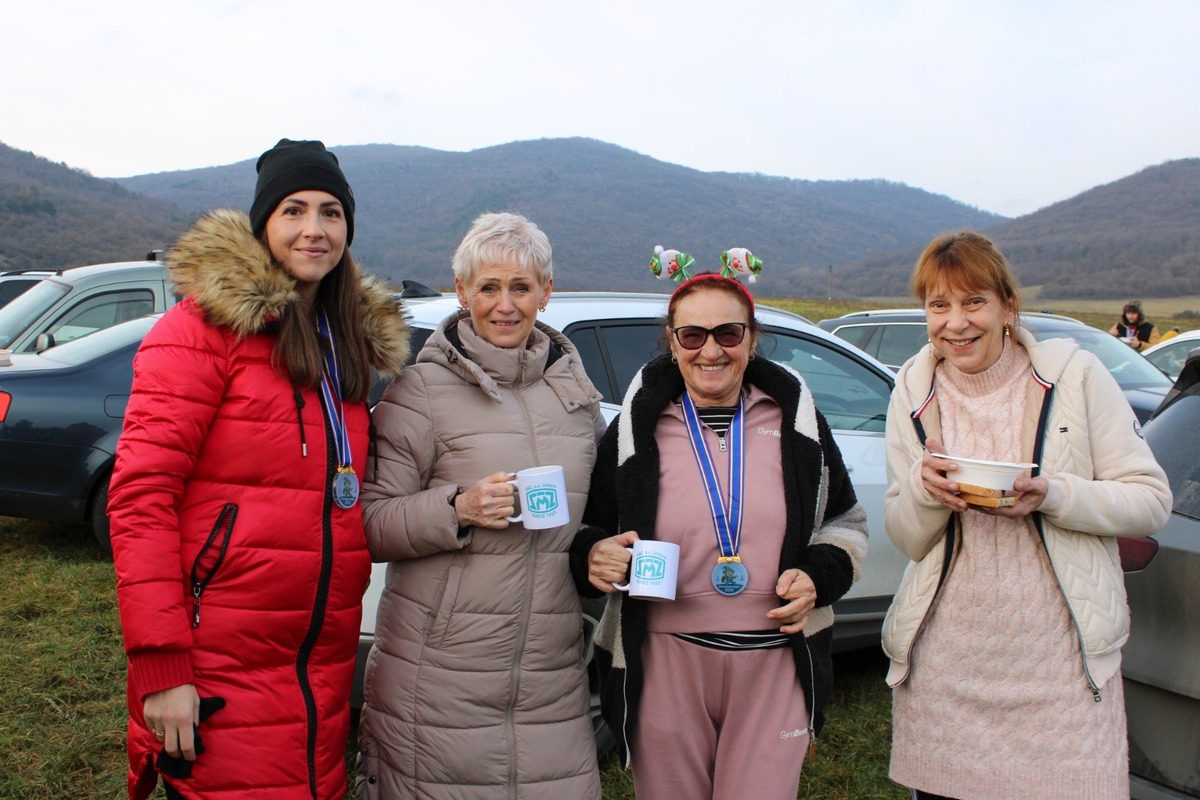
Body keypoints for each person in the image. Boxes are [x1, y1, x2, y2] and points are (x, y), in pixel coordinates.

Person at [108, 138, 411, 800]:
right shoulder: (198, 333)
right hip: (218, 659)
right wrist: (162, 669)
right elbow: (140, 500)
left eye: (331, 212)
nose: (314, 229)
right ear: (262, 225)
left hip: (318, 664)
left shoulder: (347, 347)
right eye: (293, 210)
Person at [882, 231, 1172, 800]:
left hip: (1061, 669)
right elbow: (907, 538)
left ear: (1008, 305)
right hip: (948, 670)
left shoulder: (1076, 375)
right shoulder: (913, 389)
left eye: (973, 302)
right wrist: (923, 492)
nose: (955, 322)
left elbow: (1150, 499)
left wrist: (1056, 494)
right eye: (938, 305)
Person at [572, 270, 869, 800]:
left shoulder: (798, 425)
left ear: (752, 339)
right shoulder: (636, 428)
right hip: (663, 661)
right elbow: (590, 527)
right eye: (693, 336)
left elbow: (845, 523)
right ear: (673, 341)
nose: (711, 351)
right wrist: (593, 556)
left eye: (728, 334)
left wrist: (819, 578)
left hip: (775, 658)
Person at [356, 212, 606, 798]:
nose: (505, 304)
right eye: (489, 288)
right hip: (437, 677)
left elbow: (595, 518)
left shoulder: (575, 396)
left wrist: (604, 549)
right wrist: (457, 510)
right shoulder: (419, 391)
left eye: (521, 287)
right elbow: (368, 522)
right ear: (463, 292)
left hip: (550, 675)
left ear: (546, 293)